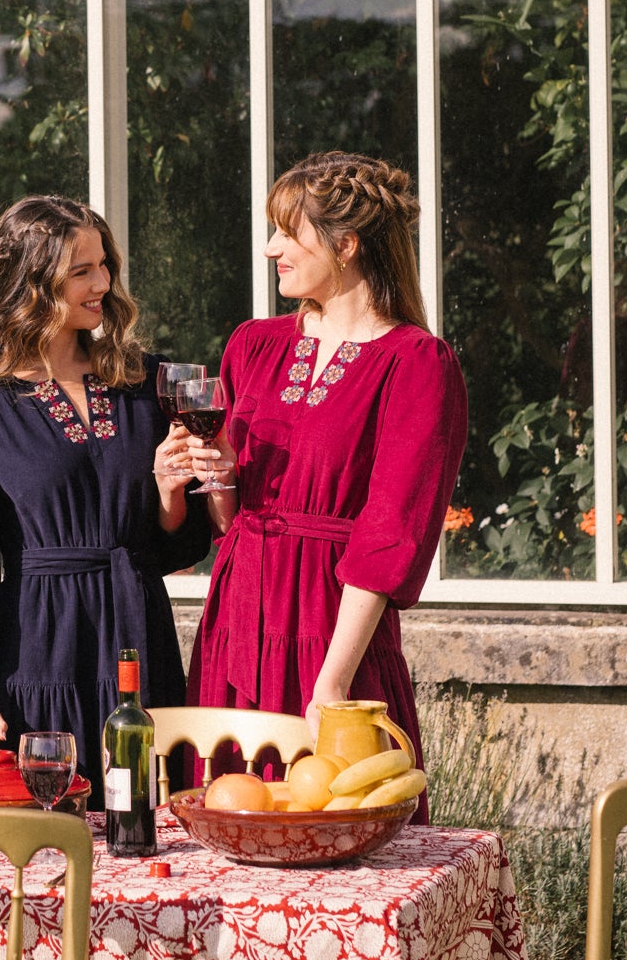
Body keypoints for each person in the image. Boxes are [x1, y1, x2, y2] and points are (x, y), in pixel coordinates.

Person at [182, 152, 467, 797]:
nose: (270, 247)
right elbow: (227, 523)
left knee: (334, 821)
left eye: (288, 230)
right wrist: (220, 475)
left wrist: (333, 683)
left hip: (333, 625)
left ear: (346, 244)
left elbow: (391, 531)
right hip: (237, 616)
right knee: (229, 812)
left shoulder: (417, 363)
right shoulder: (253, 345)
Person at [0, 195, 211, 805]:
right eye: (82, 270)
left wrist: (166, 493)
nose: (102, 282)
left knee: (146, 828)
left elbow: (172, 544)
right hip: (36, 649)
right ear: (31, 280)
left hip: (138, 638)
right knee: (44, 834)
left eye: (104, 265)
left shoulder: (144, 384)